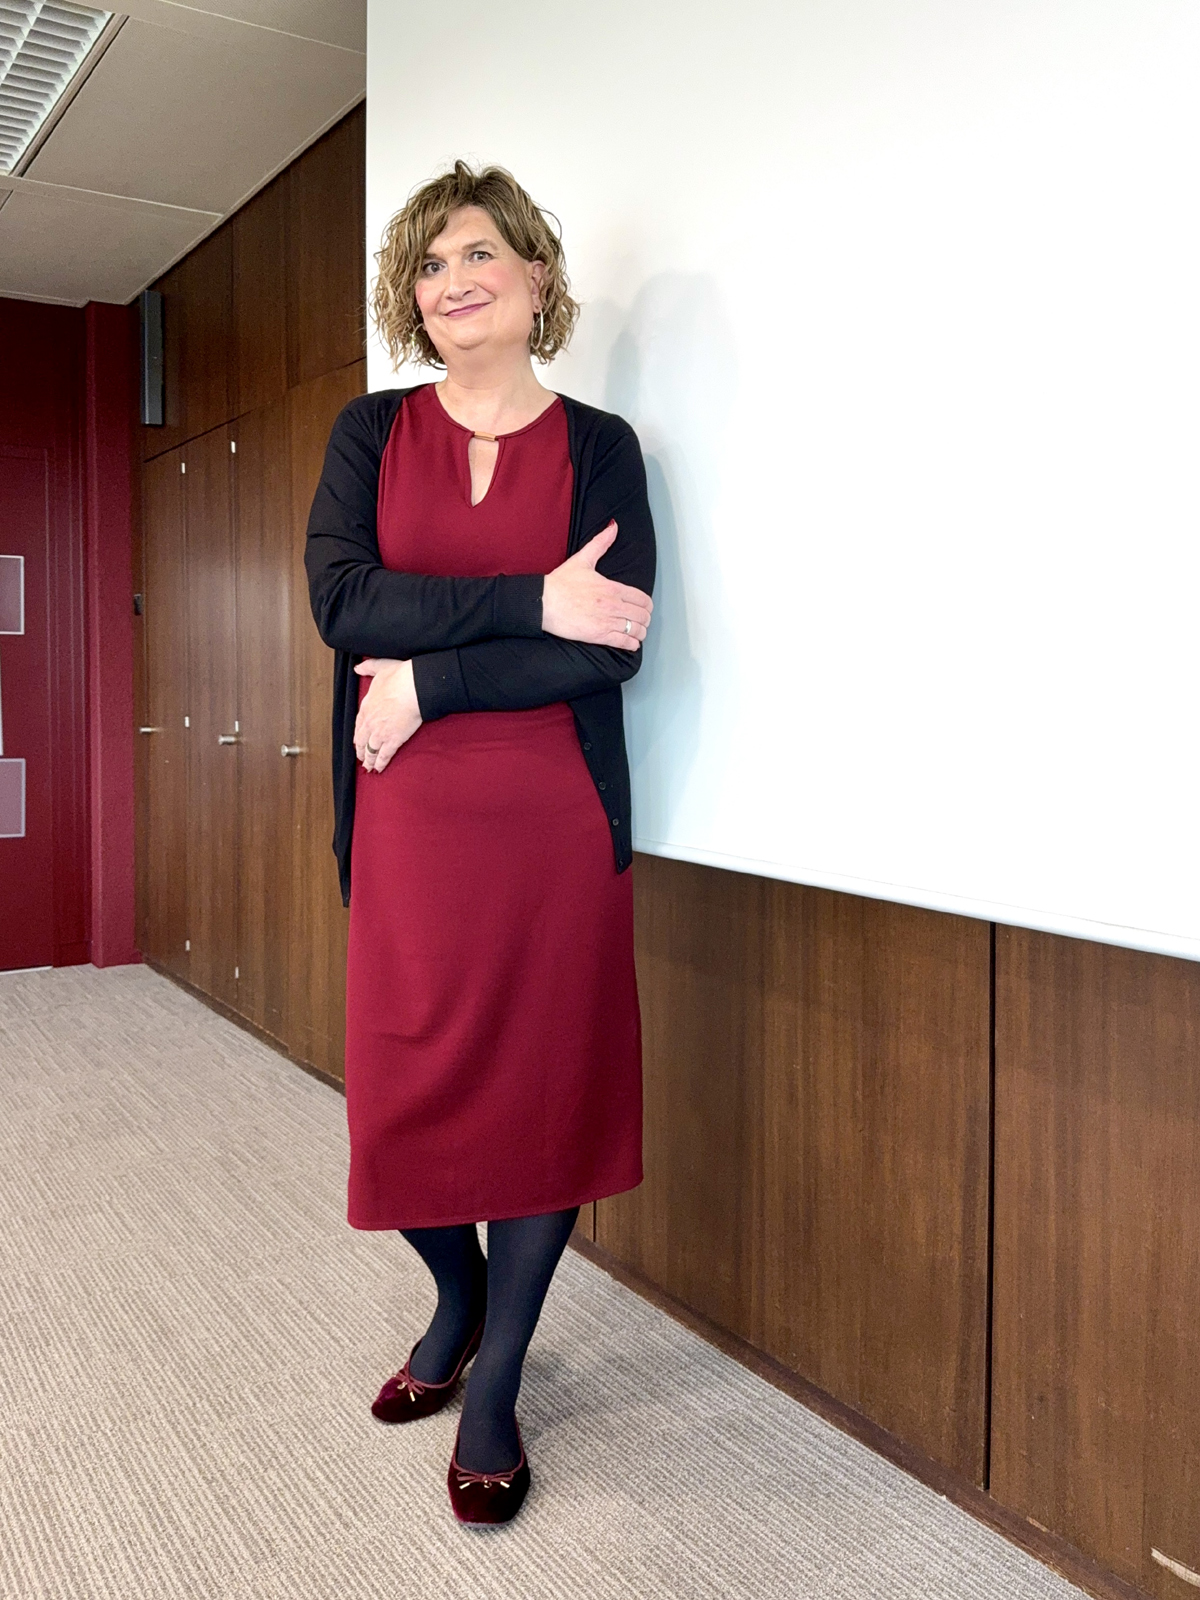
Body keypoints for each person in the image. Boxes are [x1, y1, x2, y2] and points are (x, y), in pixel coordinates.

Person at [304, 161, 656, 1525]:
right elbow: (346, 600)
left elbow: (607, 645)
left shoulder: (603, 446)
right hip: (405, 820)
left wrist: (431, 680)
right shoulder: (369, 433)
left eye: (477, 255)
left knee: (543, 1096)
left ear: (535, 277)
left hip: (554, 822)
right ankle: (455, 1300)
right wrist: (526, 602)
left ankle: (496, 1377)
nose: (451, 282)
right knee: (404, 1094)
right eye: (429, 265)